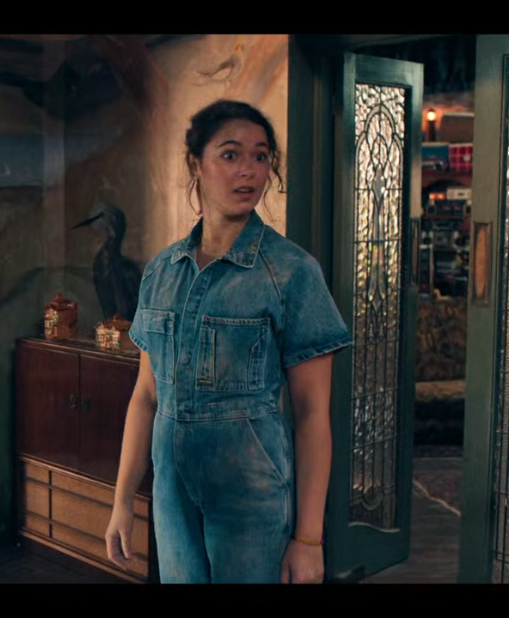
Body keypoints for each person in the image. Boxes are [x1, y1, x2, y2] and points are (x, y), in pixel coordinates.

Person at [104, 99, 352, 584]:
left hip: (251, 494)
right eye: (231, 154)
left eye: (261, 156)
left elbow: (312, 415)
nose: (249, 171)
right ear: (196, 163)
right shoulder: (161, 271)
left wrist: (308, 539)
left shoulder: (292, 272)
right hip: (172, 495)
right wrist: (122, 502)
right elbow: (147, 396)